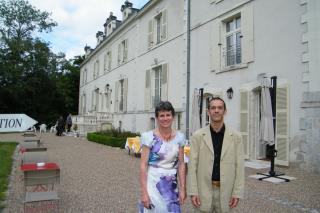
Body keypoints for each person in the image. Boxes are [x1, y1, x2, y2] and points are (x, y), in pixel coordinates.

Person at [187, 97, 244, 213]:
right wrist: (193, 192)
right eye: (213, 108)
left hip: (227, 192)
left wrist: (237, 192)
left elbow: (240, 167)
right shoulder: (198, 136)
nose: (216, 111)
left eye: (220, 108)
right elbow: (192, 166)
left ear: (225, 111)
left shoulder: (236, 137)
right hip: (203, 191)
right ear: (208, 112)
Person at [139, 101, 186, 213]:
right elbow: (143, 165)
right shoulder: (148, 137)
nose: (165, 118)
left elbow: (181, 164)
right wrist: (144, 192)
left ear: (173, 117)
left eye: (168, 115)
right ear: (157, 118)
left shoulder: (180, 137)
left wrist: (183, 188)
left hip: (171, 186)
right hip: (152, 183)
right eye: (162, 115)